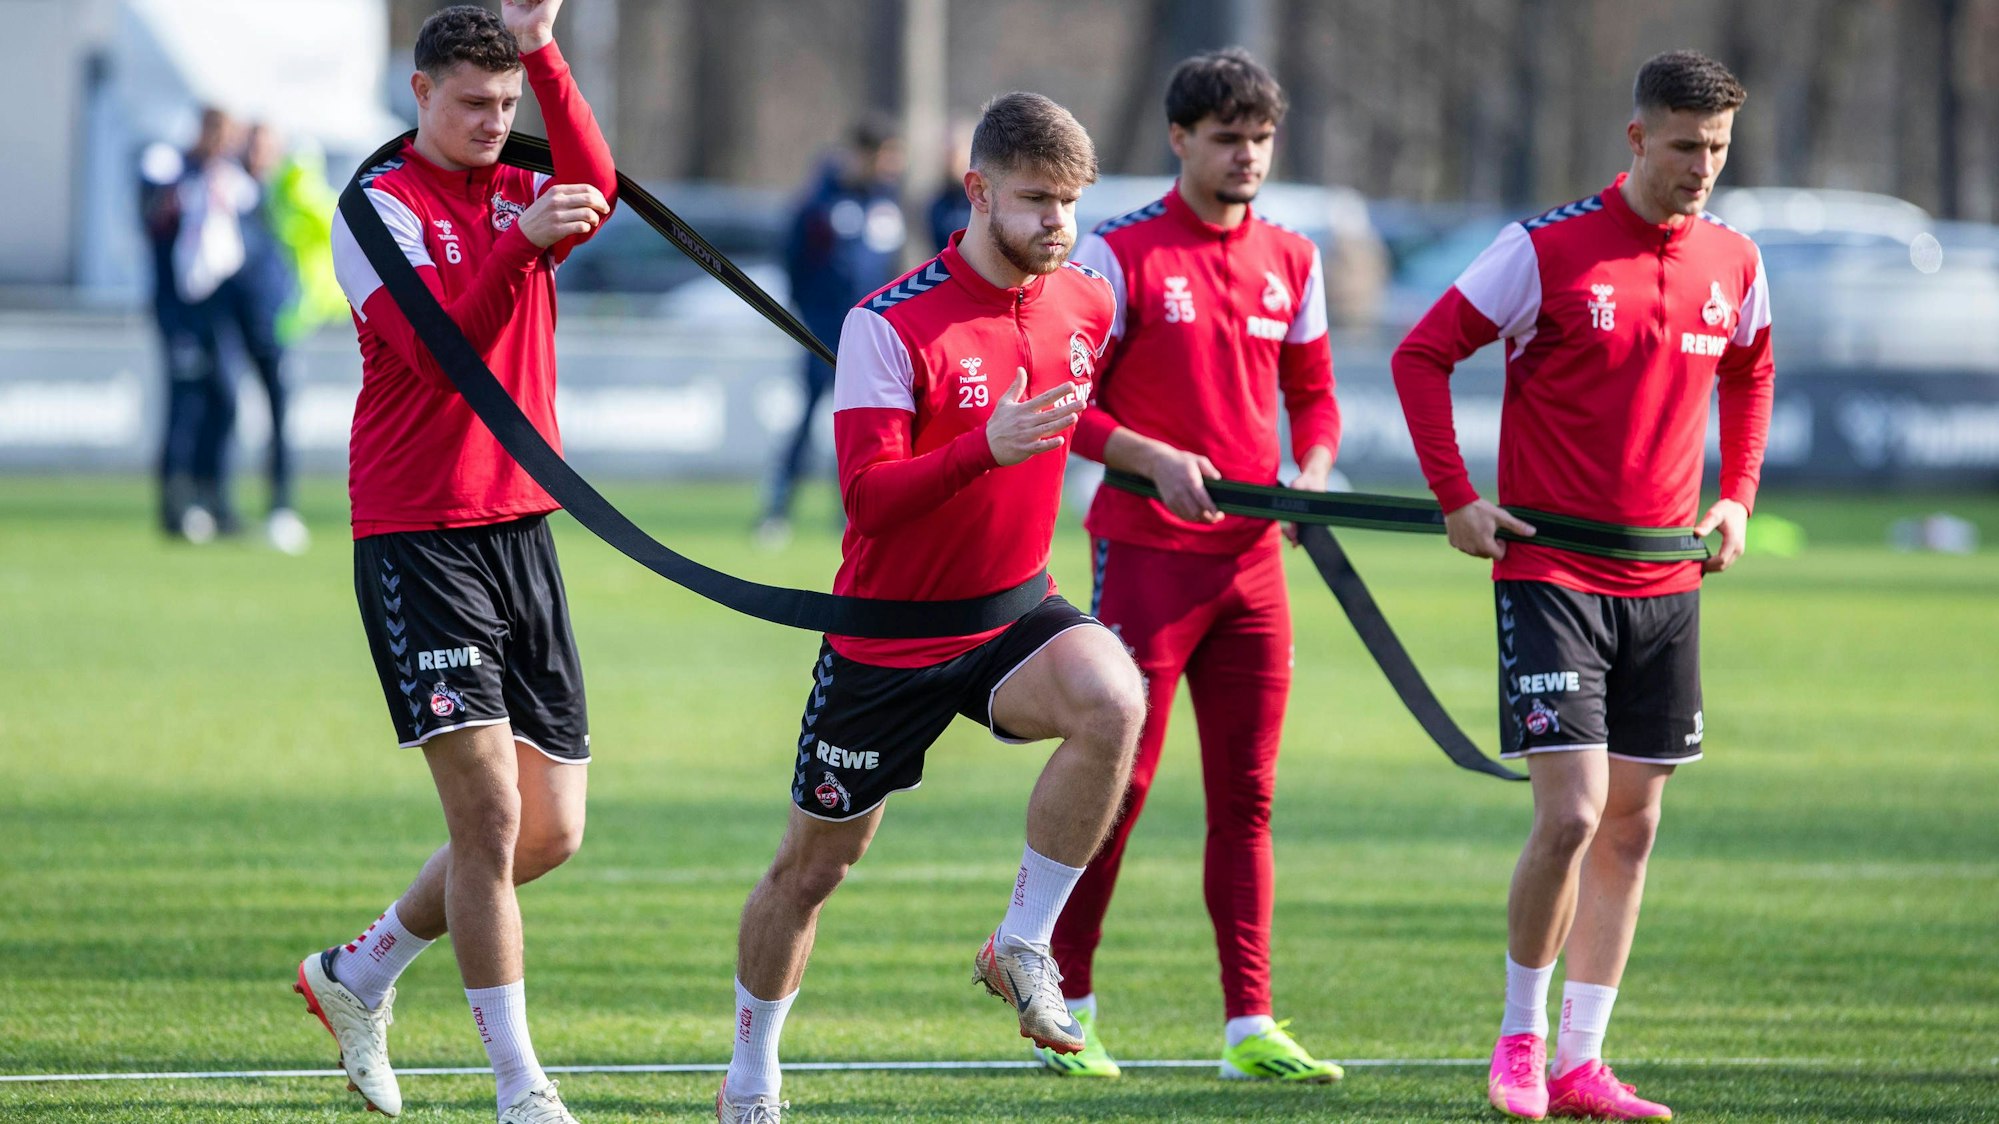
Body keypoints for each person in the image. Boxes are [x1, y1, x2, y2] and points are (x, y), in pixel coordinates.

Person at [716, 92, 1146, 1123]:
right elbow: (869, 495)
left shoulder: (1084, 299)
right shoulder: (887, 321)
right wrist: (979, 449)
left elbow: (1069, 413)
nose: (1057, 223)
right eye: (1035, 200)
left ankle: (1023, 941)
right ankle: (749, 1073)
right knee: (813, 868)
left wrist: (1147, 457)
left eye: (1071, 203)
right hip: (890, 638)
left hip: (1013, 612)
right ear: (977, 191)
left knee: (1113, 701)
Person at [1390, 50, 1772, 1122]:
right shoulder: (1544, 249)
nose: (1702, 167)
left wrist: (1734, 494)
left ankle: (1582, 1060)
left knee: (1634, 826)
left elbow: (1750, 370)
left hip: (1666, 574)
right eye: (1685, 145)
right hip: (1551, 566)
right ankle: (1516, 1040)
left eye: (1718, 150)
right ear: (1636, 137)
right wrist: (1457, 495)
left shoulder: (1735, 259)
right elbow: (1423, 353)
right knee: (1571, 814)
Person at [300, 3, 615, 1121]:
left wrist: (544, 48)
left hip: (521, 524)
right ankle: (519, 1085)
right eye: (471, 102)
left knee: (551, 830)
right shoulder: (374, 208)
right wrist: (515, 246)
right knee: (486, 822)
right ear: (419, 93)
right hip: (416, 532)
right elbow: (440, 361)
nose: (494, 122)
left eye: (508, 105)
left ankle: (359, 969)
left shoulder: (517, 182)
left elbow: (600, 182)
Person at [1047, 47, 1344, 1083]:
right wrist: (1152, 459)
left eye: (1260, 138)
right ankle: (1066, 1006)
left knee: (1247, 796)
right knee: (1117, 786)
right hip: (1144, 558)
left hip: (1254, 566)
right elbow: (1066, 404)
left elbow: (1314, 393)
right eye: (1227, 138)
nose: (1247, 156)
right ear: (1179, 139)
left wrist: (1312, 468)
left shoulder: (1294, 258)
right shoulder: (1120, 256)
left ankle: (1248, 1023)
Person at [756, 116, 906, 548]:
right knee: (807, 421)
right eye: (887, 157)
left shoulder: (887, 202)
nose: (893, 167)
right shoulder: (818, 202)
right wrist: (811, 321)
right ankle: (777, 510)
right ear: (864, 155)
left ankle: (852, 514)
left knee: (868, 428)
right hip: (822, 333)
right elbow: (795, 264)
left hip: (873, 340)